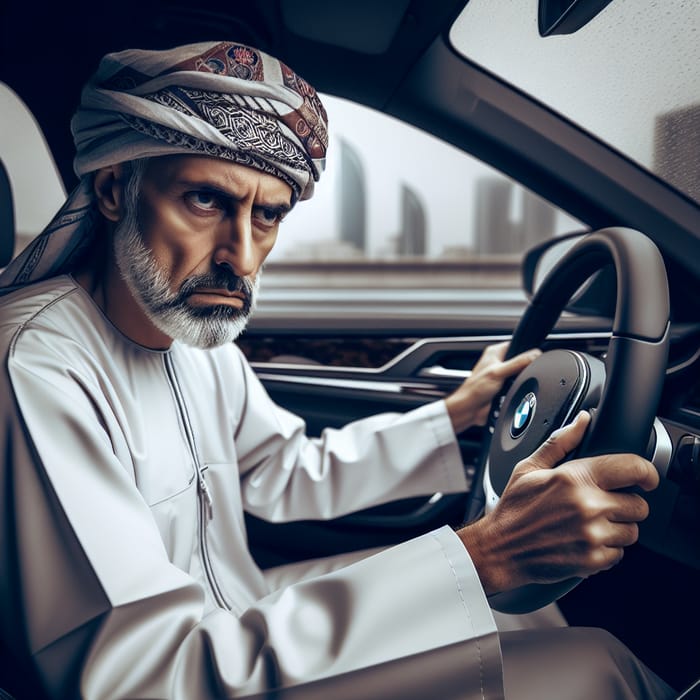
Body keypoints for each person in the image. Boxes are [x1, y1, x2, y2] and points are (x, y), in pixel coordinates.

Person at [0, 41, 676, 700]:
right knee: (596, 667)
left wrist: (456, 413)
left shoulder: (196, 344)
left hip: (235, 623)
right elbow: (141, 676)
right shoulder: (36, 366)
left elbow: (282, 472)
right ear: (116, 188)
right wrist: (482, 556)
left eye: (267, 215)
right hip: (185, 672)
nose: (240, 254)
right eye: (206, 201)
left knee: (521, 610)